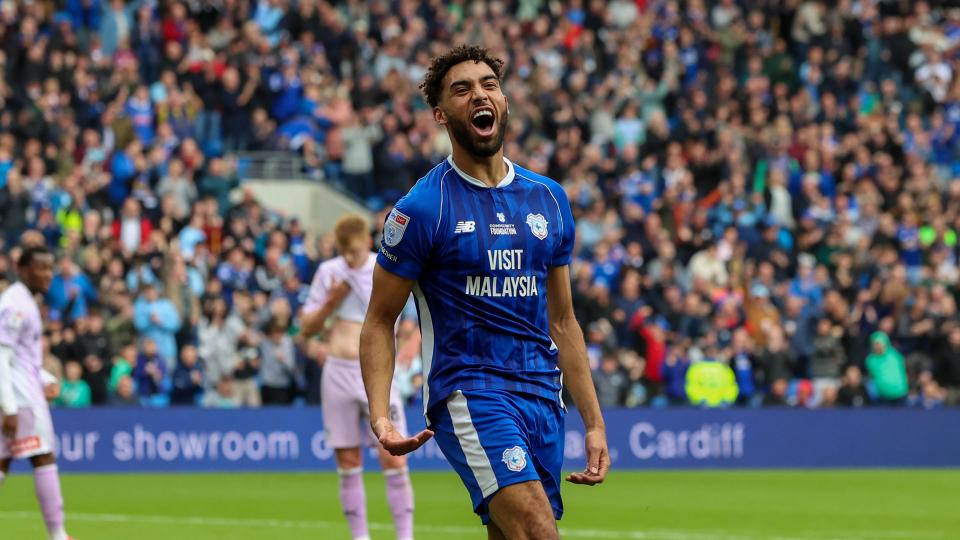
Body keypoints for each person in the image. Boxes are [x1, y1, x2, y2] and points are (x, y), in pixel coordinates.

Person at [360, 45, 609, 540]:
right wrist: (382, 416)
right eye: (462, 89)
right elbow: (379, 321)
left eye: (489, 85)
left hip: (542, 394)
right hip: (469, 391)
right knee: (537, 530)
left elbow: (563, 322)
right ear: (440, 114)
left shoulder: (549, 199)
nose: (479, 94)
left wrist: (594, 422)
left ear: (504, 101)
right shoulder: (422, 209)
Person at [300, 213, 414, 540]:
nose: (349, 258)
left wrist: (409, 346)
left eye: (353, 251)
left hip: (377, 373)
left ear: (366, 241)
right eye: (343, 252)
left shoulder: (385, 267)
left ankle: (405, 536)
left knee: (394, 457)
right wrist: (331, 302)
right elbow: (305, 327)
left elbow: (410, 317)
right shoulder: (329, 272)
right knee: (348, 460)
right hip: (337, 370)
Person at [0, 245, 74, 540]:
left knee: (3, 461)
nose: (47, 274)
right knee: (44, 457)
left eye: (50, 268)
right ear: (22, 269)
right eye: (40, 268)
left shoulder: (24, 301)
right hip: (21, 400)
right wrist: (9, 408)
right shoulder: (16, 304)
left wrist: (44, 378)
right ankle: (58, 534)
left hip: (17, 393)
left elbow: (20, 358)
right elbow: (1, 356)